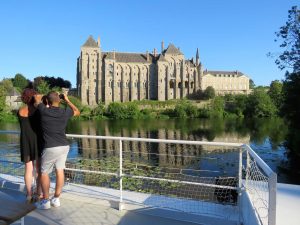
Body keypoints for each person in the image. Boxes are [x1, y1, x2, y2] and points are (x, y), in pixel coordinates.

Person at [34, 91, 80, 209]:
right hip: (64, 146)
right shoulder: (65, 111)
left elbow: (36, 98)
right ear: (59, 100)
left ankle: (45, 201)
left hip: (50, 147)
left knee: (44, 173)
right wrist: (67, 100)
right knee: (60, 171)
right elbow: (77, 111)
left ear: (48, 101)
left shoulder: (43, 111)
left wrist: (45, 98)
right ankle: (56, 198)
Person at [18, 88, 42, 202]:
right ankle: (38, 193)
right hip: (37, 140)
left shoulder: (20, 111)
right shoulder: (38, 110)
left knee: (28, 168)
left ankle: (28, 194)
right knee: (38, 169)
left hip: (25, 141)